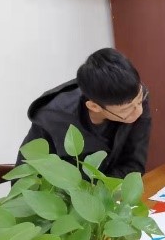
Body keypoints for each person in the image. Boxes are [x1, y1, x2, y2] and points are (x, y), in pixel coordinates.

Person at [16, 48, 151, 178]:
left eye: (140, 100)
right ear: (94, 106)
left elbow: (134, 165)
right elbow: (24, 176)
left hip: (110, 191)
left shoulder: (133, 97)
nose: (139, 111)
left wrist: (104, 189)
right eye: (125, 110)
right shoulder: (52, 119)